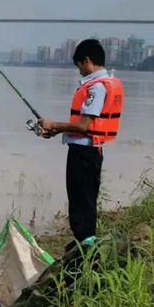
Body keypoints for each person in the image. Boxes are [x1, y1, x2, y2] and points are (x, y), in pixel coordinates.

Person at [39, 39, 124, 248]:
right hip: (89, 151)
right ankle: (84, 244)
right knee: (84, 202)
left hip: (84, 154)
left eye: (79, 66)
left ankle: (86, 251)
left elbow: (84, 125)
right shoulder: (105, 83)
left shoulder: (96, 88)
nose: (79, 72)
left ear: (87, 61)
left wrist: (54, 124)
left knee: (81, 205)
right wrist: (56, 130)